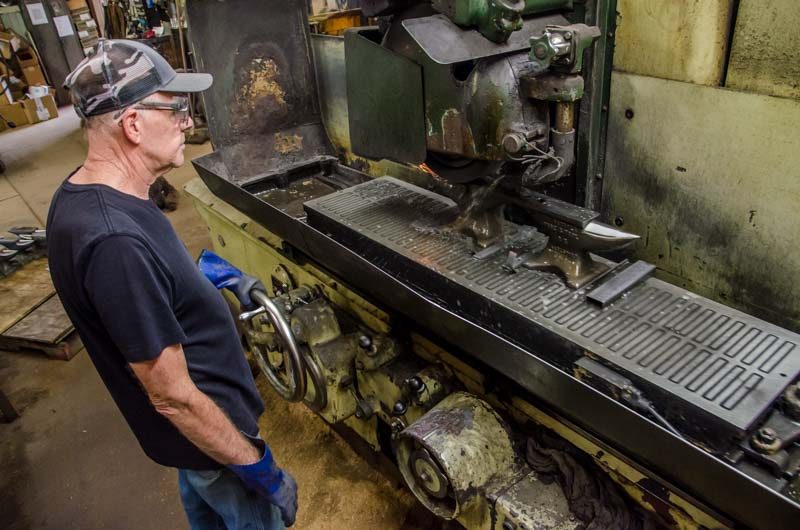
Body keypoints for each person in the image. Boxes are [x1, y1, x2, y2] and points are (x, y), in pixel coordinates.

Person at [46, 39, 297, 530]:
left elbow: (144, 288)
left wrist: (206, 278)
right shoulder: (114, 243)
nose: (187, 122)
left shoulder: (91, 193)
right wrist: (256, 467)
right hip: (212, 446)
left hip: (188, 448)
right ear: (133, 124)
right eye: (175, 109)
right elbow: (173, 397)